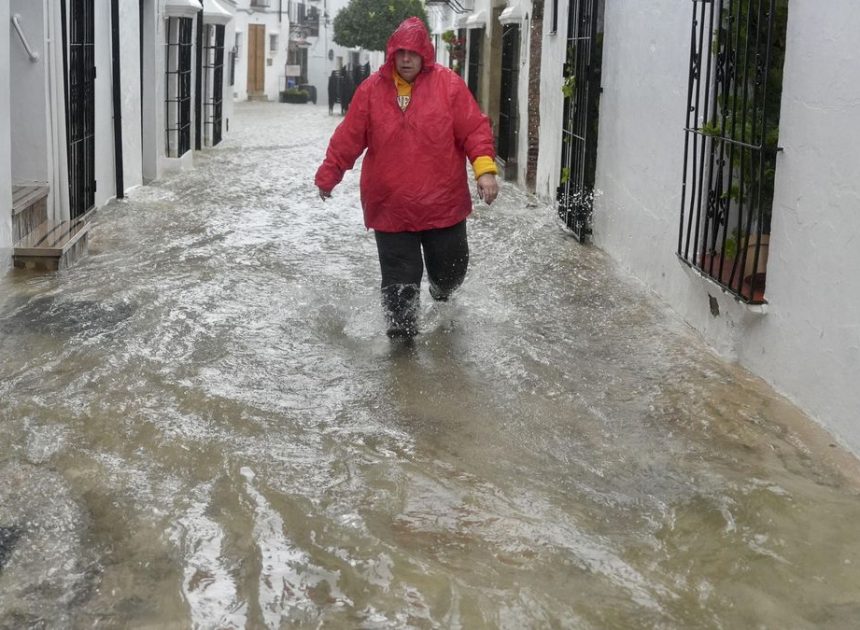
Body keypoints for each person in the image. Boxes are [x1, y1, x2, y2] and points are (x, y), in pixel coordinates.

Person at [315, 17, 499, 338]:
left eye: (412, 53)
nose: (406, 59)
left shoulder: (450, 86)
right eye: (400, 53)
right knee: (400, 289)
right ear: (391, 54)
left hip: (444, 207)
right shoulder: (371, 91)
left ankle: (441, 300)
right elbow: (348, 138)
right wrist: (328, 176)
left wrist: (484, 172)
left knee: (449, 274)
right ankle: (401, 352)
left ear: (425, 54)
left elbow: (475, 131)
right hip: (391, 210)